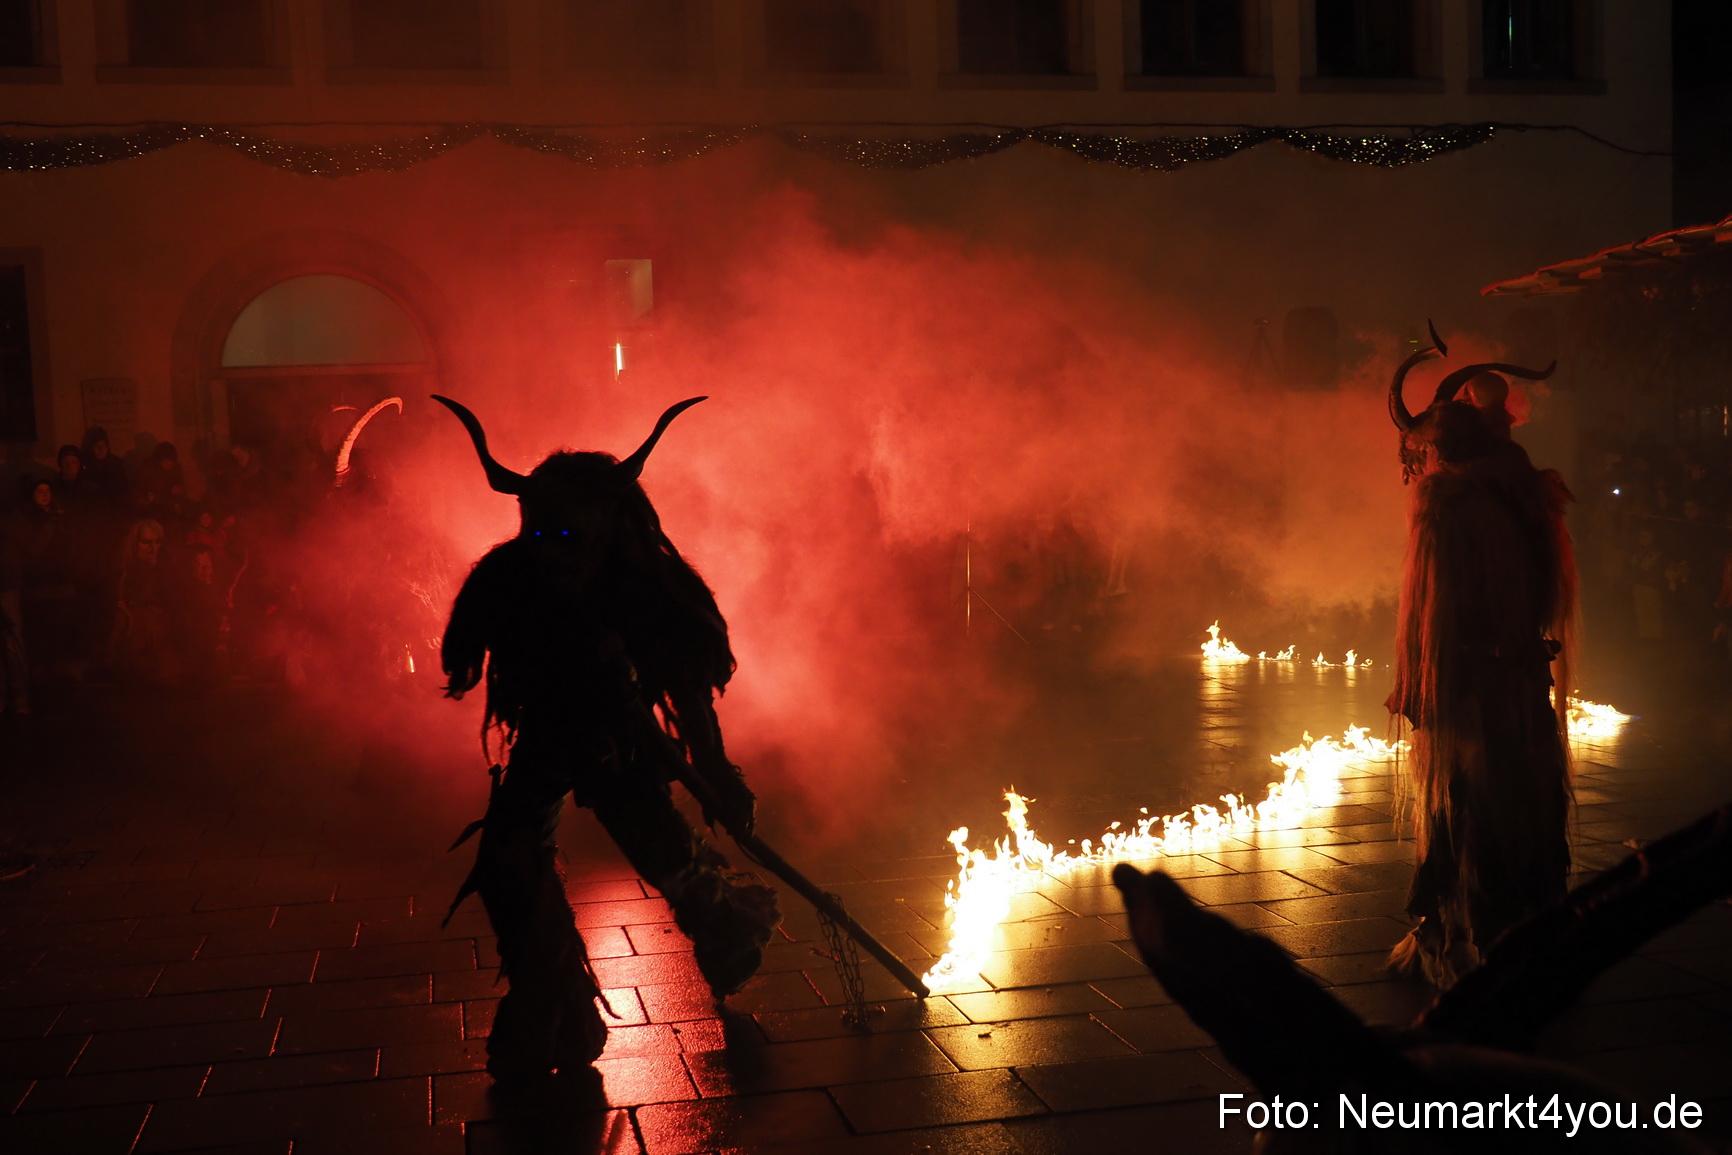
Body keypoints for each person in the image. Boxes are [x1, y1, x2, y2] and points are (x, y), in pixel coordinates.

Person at [435, 395, 779, 1080]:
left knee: (669, 861)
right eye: (539, 531)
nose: (550, 551)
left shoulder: (645, 584)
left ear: (605, 524)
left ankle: (727, 925)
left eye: (568, 533)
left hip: (622, 743)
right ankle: (556, 1003)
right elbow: (469, 644)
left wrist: (715, 771)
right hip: (548, 733)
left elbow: (688, 685)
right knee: (509, 861)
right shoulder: (510, 575)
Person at [1384, 339, 1576, 988]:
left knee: (1470, 807)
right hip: (1519, 674)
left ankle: (1473, 947)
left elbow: (1431, 609)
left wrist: (1418, 684)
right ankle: (1523, 935)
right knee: (1520, 799)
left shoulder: (1447, 501)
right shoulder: (1524, 489)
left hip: (1472, 685)